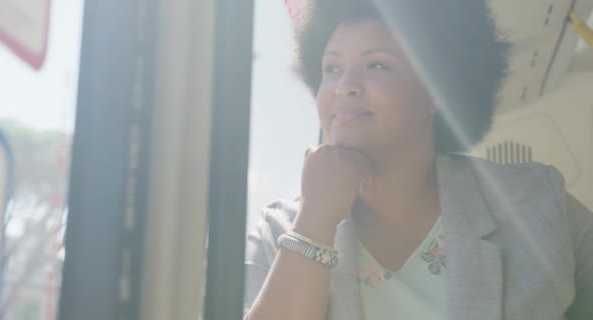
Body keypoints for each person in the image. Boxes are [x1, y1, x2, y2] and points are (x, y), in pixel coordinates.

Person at [243, 0, 593, 319]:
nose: (344, 85)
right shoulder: (277, 233)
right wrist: (314, 223)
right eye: (332, 68)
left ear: (436, 91)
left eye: (376, 64)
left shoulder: (540, 203)